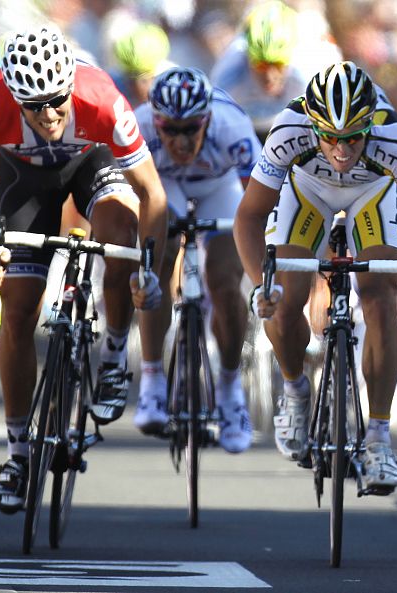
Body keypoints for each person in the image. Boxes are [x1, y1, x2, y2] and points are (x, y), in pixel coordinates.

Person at [0, 23, 167, 514]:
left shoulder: (102, 100)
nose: (48, 114)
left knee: (119, 234)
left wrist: (145, 267)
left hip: (92, 163)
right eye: (34, 105)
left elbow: (153, 194)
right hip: (26, 180)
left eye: (56, 101)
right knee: (19, 310)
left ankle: (111, 355)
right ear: (15, 98)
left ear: (70, 84)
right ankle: (18, 452)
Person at [233, 61, 397, 492]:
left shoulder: (393, 136)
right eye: (330, 137)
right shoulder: (288, 130)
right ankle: (296, 391)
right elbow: (249, 216)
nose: (340, 150)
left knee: (377, 294)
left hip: (374, 190)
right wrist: (262, 285)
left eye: (353, 138)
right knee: (284, 293)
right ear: (312, 125)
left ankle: (378, 438)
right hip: (307, 190)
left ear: (369, 126)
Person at [131, 66, 260, 453]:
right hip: (163, 186)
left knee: (224, 281)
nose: (181, 140)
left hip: (220, 187)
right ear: (157, 122)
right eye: (171, 129)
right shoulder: (137, 127)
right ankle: (152, 382)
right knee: (159, 257)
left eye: (192, 129)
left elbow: (262, 199)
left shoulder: (233, 128)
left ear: (208, 119)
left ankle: (230, 388)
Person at [210, 0, 336, 142]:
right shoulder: (229, 73)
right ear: (247, 58)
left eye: (278, 65)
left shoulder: (307, 70)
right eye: (261, 66)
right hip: (246, 130)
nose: (270, 76)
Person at [111, 21, 174, 107]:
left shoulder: (176, 87)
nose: (138, 88)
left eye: (145, 80)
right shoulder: (112, 85)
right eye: (131, 81)